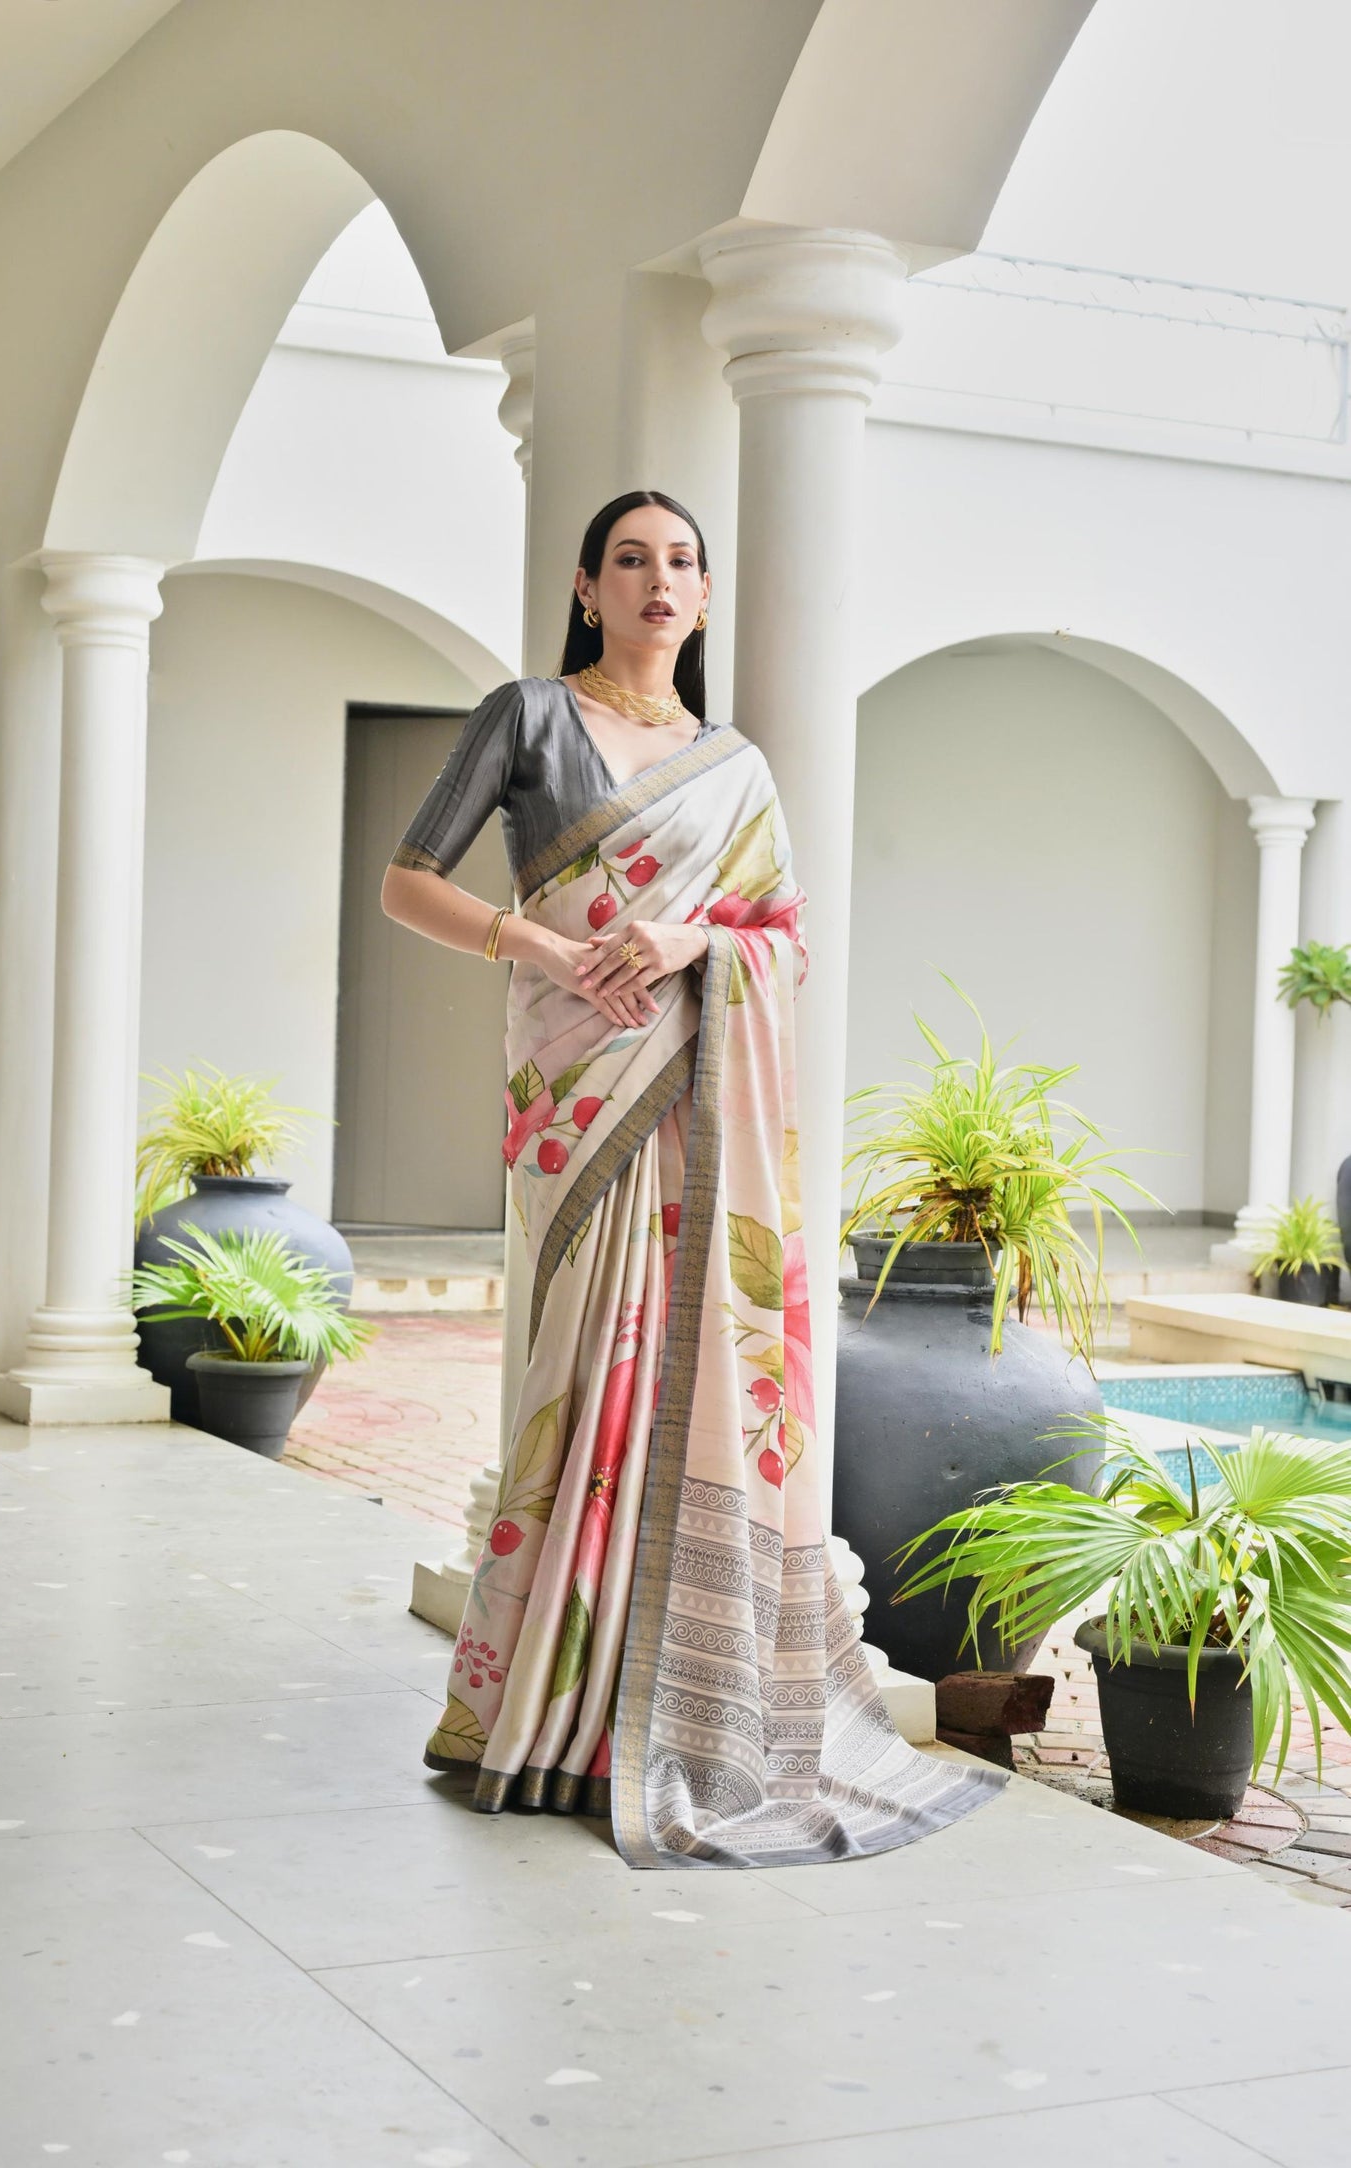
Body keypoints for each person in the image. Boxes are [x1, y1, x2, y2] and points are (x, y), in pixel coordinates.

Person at [380, 488, 1003, 1869]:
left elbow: (778, 938)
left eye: (680, 562)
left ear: (705, 598)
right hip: (578, 1096)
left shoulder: (735, 765)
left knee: (688, 1373)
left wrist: (685, 946)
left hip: (694, 1091)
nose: (656, 581)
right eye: (629, 561)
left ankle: (664, 1706)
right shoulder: (527, 718)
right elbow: (407, 883)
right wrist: (546, 952)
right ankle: (540, 1714)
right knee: (575, 1379)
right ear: (587, 588)